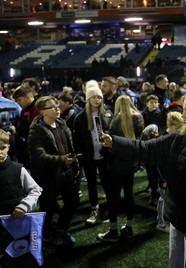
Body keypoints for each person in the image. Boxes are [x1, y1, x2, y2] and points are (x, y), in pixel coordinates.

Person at [101, 89, 186, 268]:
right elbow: (145, 148)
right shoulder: (178, 138)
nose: (182, 115)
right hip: (177, 218)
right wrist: (114, 142)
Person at [28, 96, 80, 246]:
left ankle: (61, 229)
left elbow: (70, 147)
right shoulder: (36, 130)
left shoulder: (62, 124)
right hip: (48, 175)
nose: (57, 109)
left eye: (57, 105)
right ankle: (47, 236)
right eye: (52, 107)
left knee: (73, 201)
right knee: (48, 207)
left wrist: (74, 165)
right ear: (42, 112)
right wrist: (61, 160)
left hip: (67, 172)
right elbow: (39, 156)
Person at [97, 96, 143, 242]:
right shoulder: (138, 117)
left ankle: (113, 230)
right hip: (131, 162)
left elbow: (110, 142)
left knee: (113, 197)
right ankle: (129, 227)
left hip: (116, 164)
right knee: (129, 194)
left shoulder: (116, 118)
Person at [0, 128, 42, 267]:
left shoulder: (18, 169)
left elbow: (35, 189)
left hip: (17, 224)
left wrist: (23, 206)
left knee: (20, 258)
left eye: (2, 148)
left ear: (8, 147)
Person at [73, 80, 112, 225]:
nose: (97, 99)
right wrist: (81, 158)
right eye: (94, 97)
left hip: (104, 155)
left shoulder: (107, 114)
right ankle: (94, 209)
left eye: (100, 97)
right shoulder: (80, 118)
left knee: (107, 183)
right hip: (89, 157)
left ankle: (107, 209)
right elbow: (76, 140)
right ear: (88, 99)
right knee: (91, 184)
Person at [12, 85, 40, 169]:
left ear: (28, 97)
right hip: (26, 148)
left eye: (19, 100)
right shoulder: (24, 110)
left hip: (36, 148)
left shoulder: (38, 109)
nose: (18, 103)